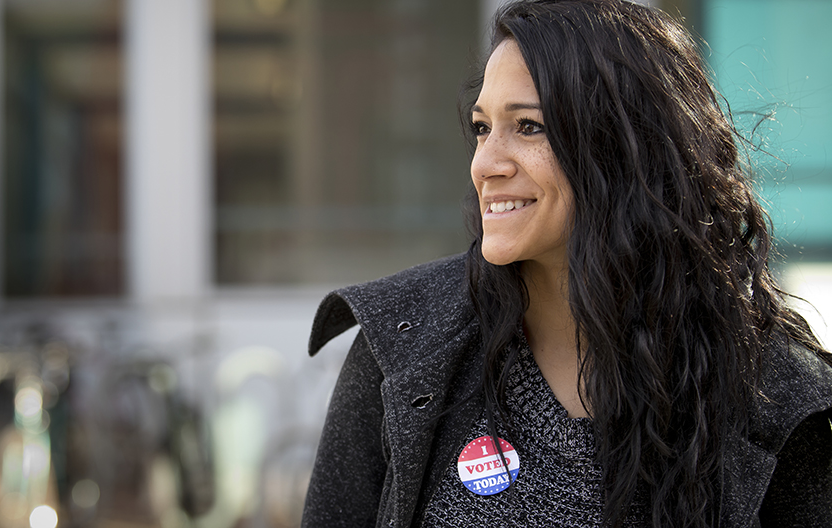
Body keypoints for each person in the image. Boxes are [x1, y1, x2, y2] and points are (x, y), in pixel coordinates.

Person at [301, 0, 832, 526]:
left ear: (625, 147)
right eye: (483, 127)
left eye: (528, 127)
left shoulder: (773, 391)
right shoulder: (402, 343)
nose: (485, 164)